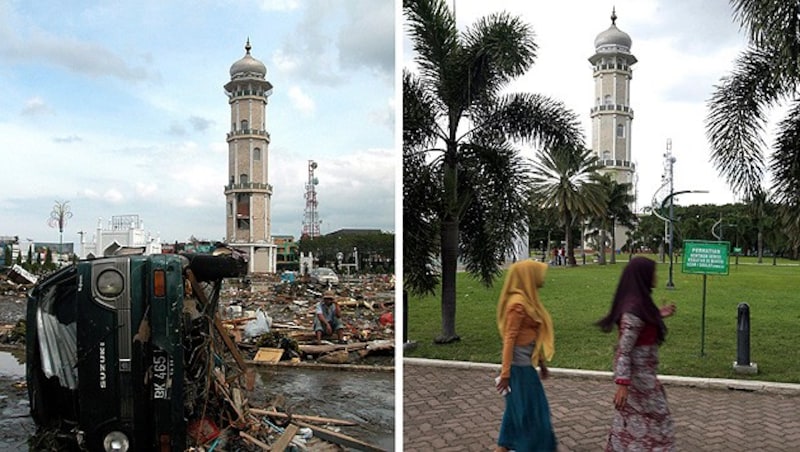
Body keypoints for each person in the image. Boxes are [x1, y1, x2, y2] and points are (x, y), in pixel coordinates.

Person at [597, 256, 677, 451]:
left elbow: (643, 321)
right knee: (655, 419)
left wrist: (659, 314)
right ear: (643, 275)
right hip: (638, 378)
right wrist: (623, 385)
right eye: (653, 272)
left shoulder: (639, 302)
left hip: (645, 376)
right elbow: (624, 350)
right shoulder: (632, 310)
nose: (656, 276)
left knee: (637, 422)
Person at [494, 260, 557, 452]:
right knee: (533, 411)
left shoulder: (528, 300)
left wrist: (542, 364)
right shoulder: (518, 305)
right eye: (538, 273)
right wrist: (506, 373)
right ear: (528, 276)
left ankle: (505, 446)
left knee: (516, 410)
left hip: (526, 365)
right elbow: (509, 339)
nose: (542, 277)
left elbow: (534, 338)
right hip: (519, 369)